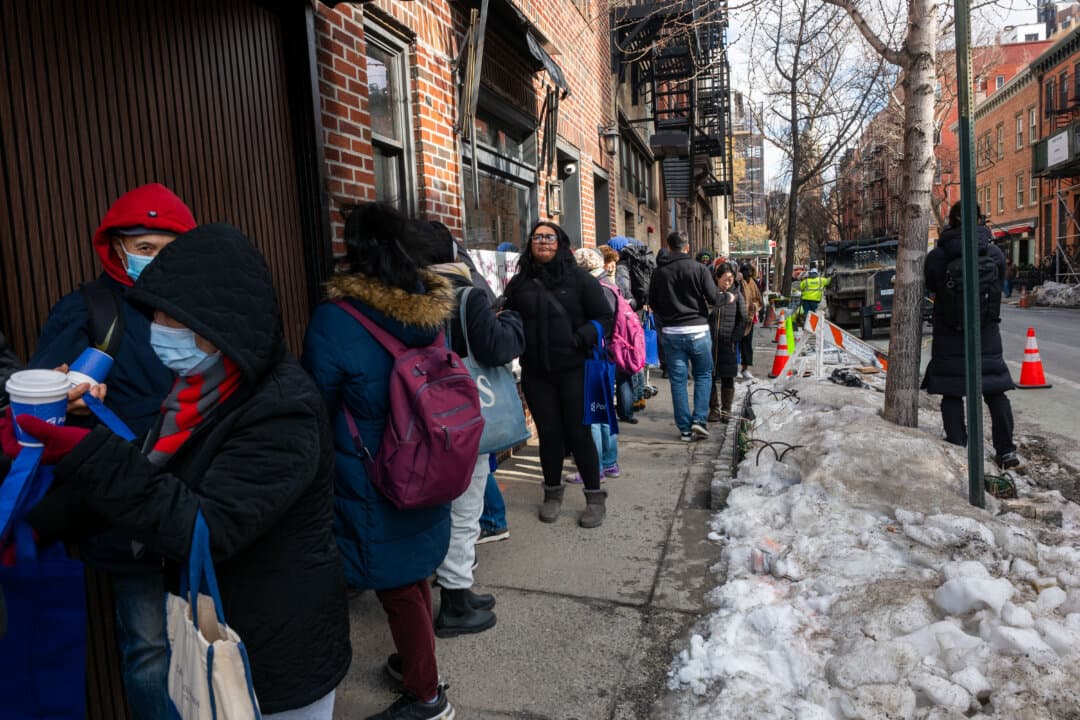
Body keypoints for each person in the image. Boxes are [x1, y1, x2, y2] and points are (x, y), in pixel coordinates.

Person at [19, 223, 352, 717]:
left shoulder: (282, 409)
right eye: (155, 313)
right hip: (227, 630)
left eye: (172, 317)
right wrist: (33, 520)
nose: (159, 328)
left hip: (276, 654)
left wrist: (87, 454)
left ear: (222, 323)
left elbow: (205, 526)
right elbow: (152, 479)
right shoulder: (196, 392)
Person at [10, 183, 195, 719]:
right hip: (123, 504)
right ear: (115, 247)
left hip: (200, 489)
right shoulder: (85, 308)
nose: (155, 259)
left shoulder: (200, 306)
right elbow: (40, 406)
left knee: (215, 631)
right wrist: (66, 397)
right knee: (147, 647)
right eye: (143, 247)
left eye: (168, 247)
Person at [302, 203, 455, 719]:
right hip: (425, 460)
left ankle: (427, 696)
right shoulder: (429, 309)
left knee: (396, 584)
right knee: (410, 574)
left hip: (370, 471)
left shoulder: (336, 319)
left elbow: (313, 403)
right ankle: (416, 663)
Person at [425, 222, 525, 638]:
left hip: (423, 415)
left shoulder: (405, 295)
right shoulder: (466, 295)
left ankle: (458, 586)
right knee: (465, 510)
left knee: (446, 508)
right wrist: (514, 319)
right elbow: (497, 347)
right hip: (466, 415)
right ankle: (455, 600)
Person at [503, 222, 613, 528]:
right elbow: (508, 316)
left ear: (560, 243)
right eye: (537, 237)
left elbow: (606, 316)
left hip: (574, 370)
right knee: (548, 435)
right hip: (536, 373)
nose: (543, 242)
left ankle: (594, 497)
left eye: (549, 237)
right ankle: (552, 494)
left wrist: (583, 336)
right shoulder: (520, 283)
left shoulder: (579, 280)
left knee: (579, 434)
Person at [923, 201, 1020, 470]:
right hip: (985, 334)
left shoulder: (938, 256)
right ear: (980, 220)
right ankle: (1006, 450)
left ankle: (958, 446)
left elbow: (932, 286)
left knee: (952, 394)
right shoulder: (994, 253)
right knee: (995, 391)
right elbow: (1000, 282)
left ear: (950, 221)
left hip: (949, 333)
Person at [648, 231, 729, 441]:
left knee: (678, 381)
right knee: (703, 375)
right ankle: (699, 421)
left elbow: (653, 304)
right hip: (698, 330)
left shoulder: (659, 273)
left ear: (669, 246)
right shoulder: (699, 269)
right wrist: (727, 297)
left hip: (672, 332)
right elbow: (713, 297)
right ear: (687, 247)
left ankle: (684, 428)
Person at [571, 248, 621, 484]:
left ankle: (595, 467)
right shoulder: (609, 284)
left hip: (595, 357)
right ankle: (609, 463)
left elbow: (600, 326)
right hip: (605, 357)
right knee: (604, 411)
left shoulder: (596, 289)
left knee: (593, 414)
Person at [601, 245, 637, 424]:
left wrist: (629, 302)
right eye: (609, 262)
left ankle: (626, 412)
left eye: (613, 262)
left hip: (620, 334)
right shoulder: (602, 282)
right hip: (611, 335)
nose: (612, 266)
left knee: (623, 374)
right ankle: (614, 412)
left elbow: (632, 297)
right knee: (612, 376)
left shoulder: (619, 278)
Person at [708, 263, 747, 423]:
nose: (727, 283)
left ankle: (726, 410)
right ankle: (714, 409)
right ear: (717, 278)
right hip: (710, 342)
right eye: (724, 280)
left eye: (730, 280)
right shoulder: (711, 294)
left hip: (728, 343)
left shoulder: (737, 295)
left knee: (727, 377)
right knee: (709, 376)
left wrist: (735, 338)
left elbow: (743, 319)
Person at [739, 263, 763, 380]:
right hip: (737, 318)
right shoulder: (738, 282)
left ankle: (745, 368)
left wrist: (755, 306)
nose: (747, 276)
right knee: (735, 345)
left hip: (749, 319)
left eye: (749, 273)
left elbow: (759, 299)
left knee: (747, 345)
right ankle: (734, 368)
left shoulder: (754, 283)